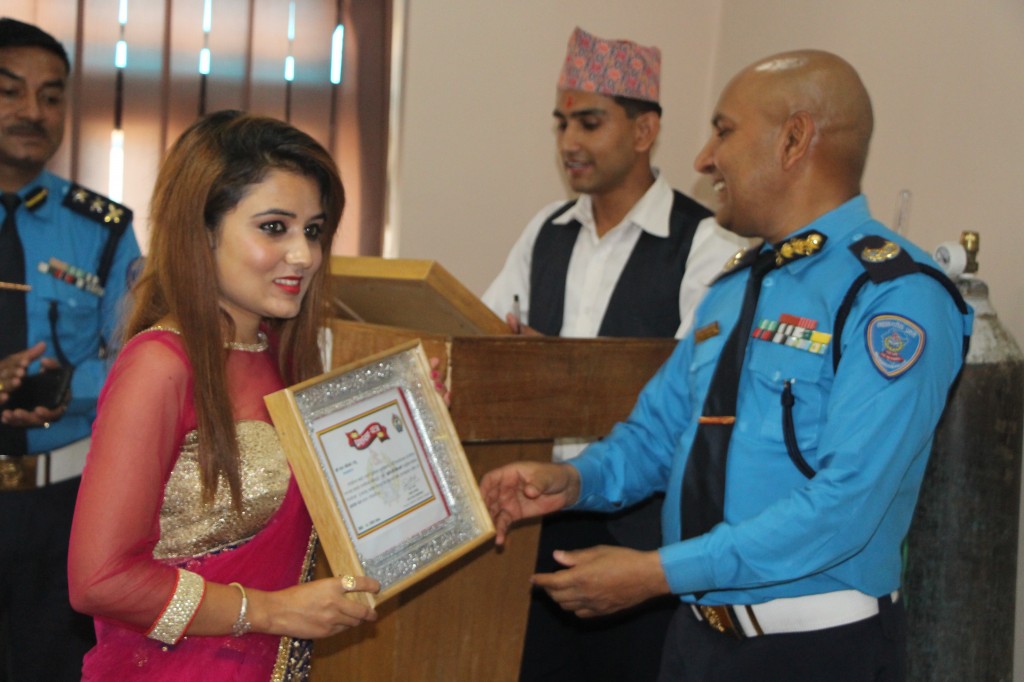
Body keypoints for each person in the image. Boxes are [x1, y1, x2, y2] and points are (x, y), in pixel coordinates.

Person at [481, 50, 972, 681]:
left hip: (814, 652)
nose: (703, 159)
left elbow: (845, 506)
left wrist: (659, 572)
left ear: (793, 140)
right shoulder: (736, 285)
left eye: (724, 131)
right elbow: (656, 436)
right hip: (696, 643)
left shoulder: (895, 298)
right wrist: (573, 481)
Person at [67, 110, 379, 680]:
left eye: (313, 230)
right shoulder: (161, 365)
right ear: (203, 231)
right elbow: (100, 580)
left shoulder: (279, 352)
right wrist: (269, 611)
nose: (304, 255)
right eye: (274, 227)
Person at [482, 27, 746, 682]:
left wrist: (554, 369)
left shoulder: (705, 241)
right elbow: (487, 339)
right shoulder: (546, 231)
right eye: (561, 123)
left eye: (590, 122)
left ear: (644, 129)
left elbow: (696, 391)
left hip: (644, 536)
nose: (569, 141)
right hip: (541, 516)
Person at [0, 18, 141, 681]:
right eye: (10, 91)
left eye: (52, 96)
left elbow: (140, 357)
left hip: (64, 507)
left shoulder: (102, 229)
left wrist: (62, 391)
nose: (34, 111)